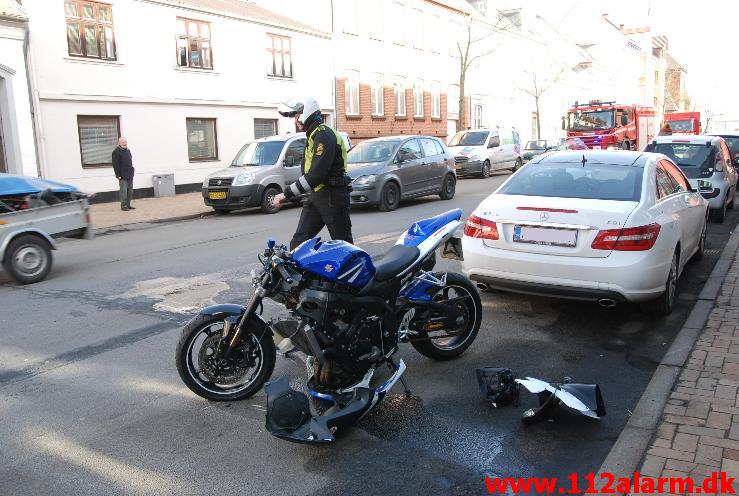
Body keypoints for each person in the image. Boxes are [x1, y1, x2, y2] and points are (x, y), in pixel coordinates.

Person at [273, 96, 353, 250]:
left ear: (306, 113)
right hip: (316, 197)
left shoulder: (324, 136)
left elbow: (316, 175)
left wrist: (285, 195)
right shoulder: (313, 136)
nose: (295, 120)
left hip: (332, 196)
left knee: (344, 246)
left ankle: (360, 274)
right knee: (298, 244)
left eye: (296, 116)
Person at [112, 137, 135, 211]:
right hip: (122, 176)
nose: (125, 143)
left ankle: (128, 204)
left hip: (130, 175)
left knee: (130, 191)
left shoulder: (128, 151)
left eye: (125, 142)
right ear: (119, 143)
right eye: (123, 142)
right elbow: (115, 165)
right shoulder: (116, 152)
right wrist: (118, 175)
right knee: (123, 192)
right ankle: (124, 206)